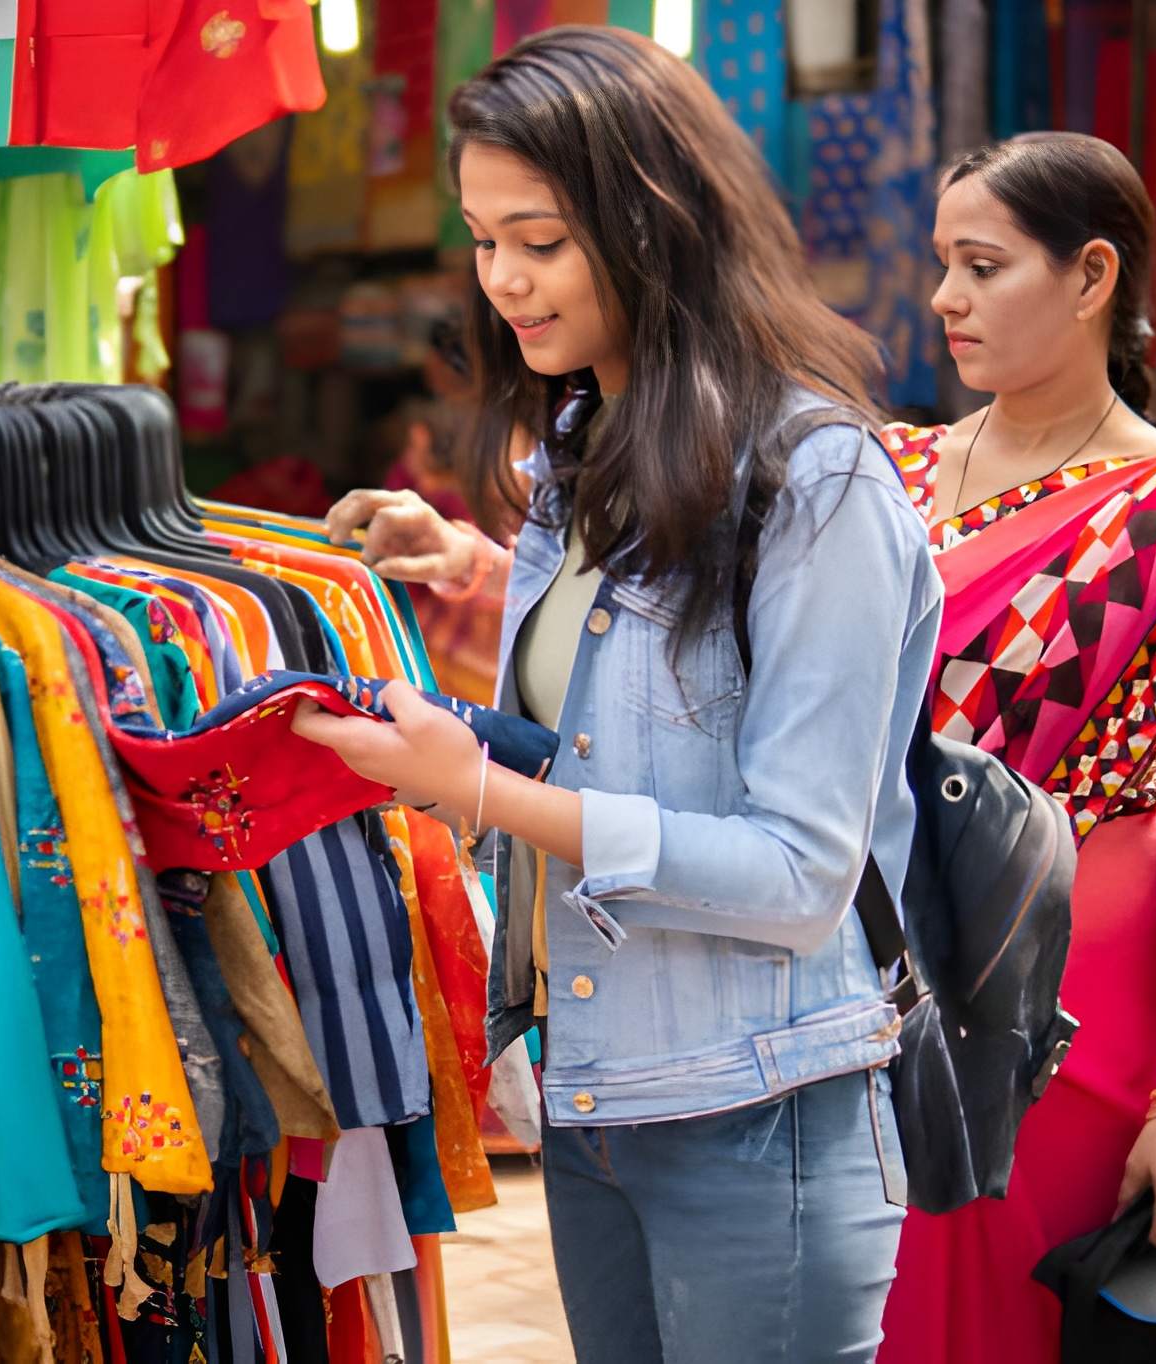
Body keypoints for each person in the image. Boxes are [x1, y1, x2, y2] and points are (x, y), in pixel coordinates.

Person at [294, 25, 942, 1364]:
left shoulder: (815, 482)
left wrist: (474, 791)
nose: (504, 280)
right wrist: (473, 578)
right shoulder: (585, 444)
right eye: (483, 239)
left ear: (651, 221)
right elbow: (617, 717)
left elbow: (797, 873)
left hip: (760, 1115)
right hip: (597, 1102)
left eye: (540, 237)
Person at [867, 133, 1156, 1361]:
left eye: (979, 265)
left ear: (1089, 278)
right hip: (864, 979)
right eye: (939, 265)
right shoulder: (886, 477)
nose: (943, 299)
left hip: (1063, 1013)